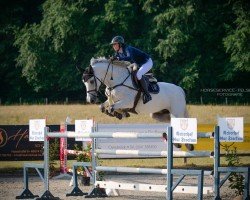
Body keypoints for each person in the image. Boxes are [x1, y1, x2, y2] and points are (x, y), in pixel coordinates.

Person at [110, 36, 152, 104]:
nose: (113, 46)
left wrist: (118, 59)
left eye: (115, 44)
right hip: (138, 64)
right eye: (113, 45)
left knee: (138, 75)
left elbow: (129, 58)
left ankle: (147, 95)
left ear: (120, 44)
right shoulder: (118, 53)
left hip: (146, 62)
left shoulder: (127, 48)